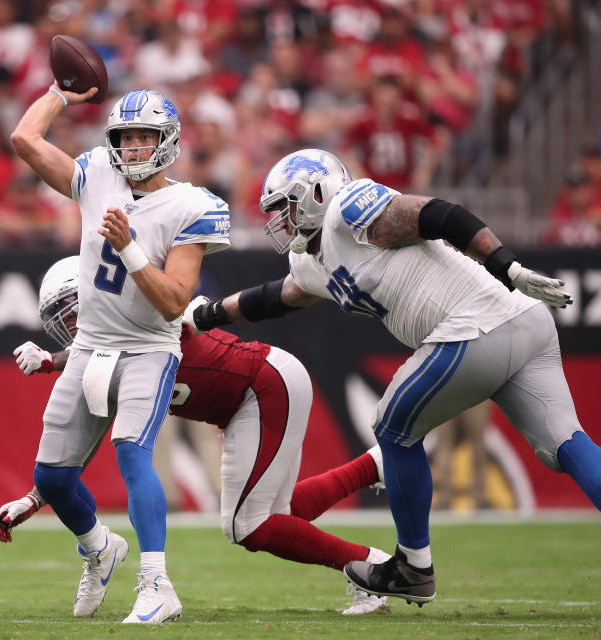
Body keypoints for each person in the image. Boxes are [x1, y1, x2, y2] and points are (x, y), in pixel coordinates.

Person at [184, 148, 601, 607]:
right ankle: (411, 561)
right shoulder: (312, 260)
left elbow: (441, 214)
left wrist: (507, 265)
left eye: (286, 206)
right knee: (566, 444)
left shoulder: (349, 209)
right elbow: (276, 298)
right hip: (523, 325)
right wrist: (206, 315)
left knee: (392, 428)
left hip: (477, 322)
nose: (279, 221)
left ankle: (413, 567)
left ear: (317, 193)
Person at [0, 256, 392, 615]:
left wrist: (52, 362)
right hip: (246, 399)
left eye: (73, 312)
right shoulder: (102, 358)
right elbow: (82, 443)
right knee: (272, 516)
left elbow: (127, 336)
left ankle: (371, 566)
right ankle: (370, 470)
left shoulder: (144, 313)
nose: (72, 328)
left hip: (264, 385)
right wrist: (36, 496)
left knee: (246, 526)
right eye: (61, 321)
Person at [9, 85, 231, 623]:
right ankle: (100, 549)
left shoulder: (190, 204)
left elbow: (174, 301)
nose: (132, 148)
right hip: (89, 347)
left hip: (148, 349)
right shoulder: (97, 176)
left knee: (132, 450)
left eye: (143, 137)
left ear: (168, 140)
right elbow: (24, 137)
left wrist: (131, 247)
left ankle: (157, 585)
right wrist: (59, 93)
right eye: (125, 137)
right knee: (53, 476)